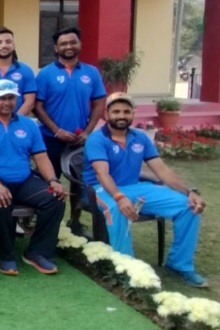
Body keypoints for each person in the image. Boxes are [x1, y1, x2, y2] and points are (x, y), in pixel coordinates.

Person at [85, 92, 209, 287]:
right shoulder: (97, 139)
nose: (121, 116)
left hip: (135, 187)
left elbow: (161, 170)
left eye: (126, 111)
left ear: (133, 114)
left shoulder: (140, 137)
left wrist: (189, 192)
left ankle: (179, 265)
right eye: (116, 111)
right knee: (118, 209)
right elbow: (102, 174)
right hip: (101, 189)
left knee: (188, 206)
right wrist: (119, 197)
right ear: (106, 115)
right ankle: (127, 269)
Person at [0, 79, 66, 276]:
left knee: (55, 199)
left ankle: (37, 252)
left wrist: (53, 180)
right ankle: (7, 255)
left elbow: (41, 157)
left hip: (24, 180)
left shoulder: (28, 125)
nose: (7, 102)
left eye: (11, 98)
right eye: (2, 98)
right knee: (1, 202)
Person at [34, 27, 106, 228]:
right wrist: (57, 131)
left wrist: (87, 132)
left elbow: (98, 104)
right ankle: (43, 222)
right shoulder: (45, 74)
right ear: (56, 48)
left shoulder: (91, 73)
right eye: (63, 43)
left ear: (79, 44)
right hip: (50, 138)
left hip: (79, 140)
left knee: (80, 182)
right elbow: (37, 106)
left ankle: (75, 220)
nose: (68, 46)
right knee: (48, 180)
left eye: (72, 42)